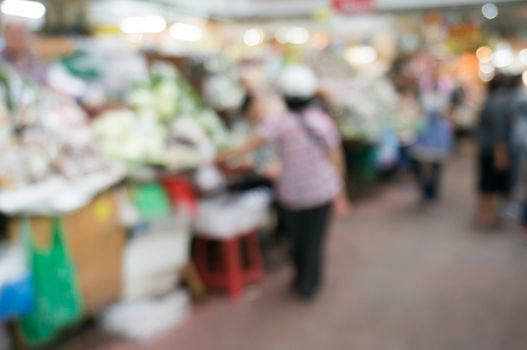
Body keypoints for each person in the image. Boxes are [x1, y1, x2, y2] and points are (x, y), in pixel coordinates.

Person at [217, 64, 348, 299]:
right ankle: (308, 284)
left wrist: (220, 156)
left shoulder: (280, 122)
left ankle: (303, 281)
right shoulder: (322, 122)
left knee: (297, 241)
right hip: (319, 193)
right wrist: (339, 190)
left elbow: (248, 145)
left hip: (292, 196)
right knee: (314, 241)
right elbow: (336, 157)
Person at [476, 74, 514, 228]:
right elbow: (498, 130)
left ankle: (485, 214)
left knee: (486, 183)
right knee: (490, 184)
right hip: (494, 149)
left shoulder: (490, 101)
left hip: (487, 147)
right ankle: (487, 216)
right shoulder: (499, 103)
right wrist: (501, 152)